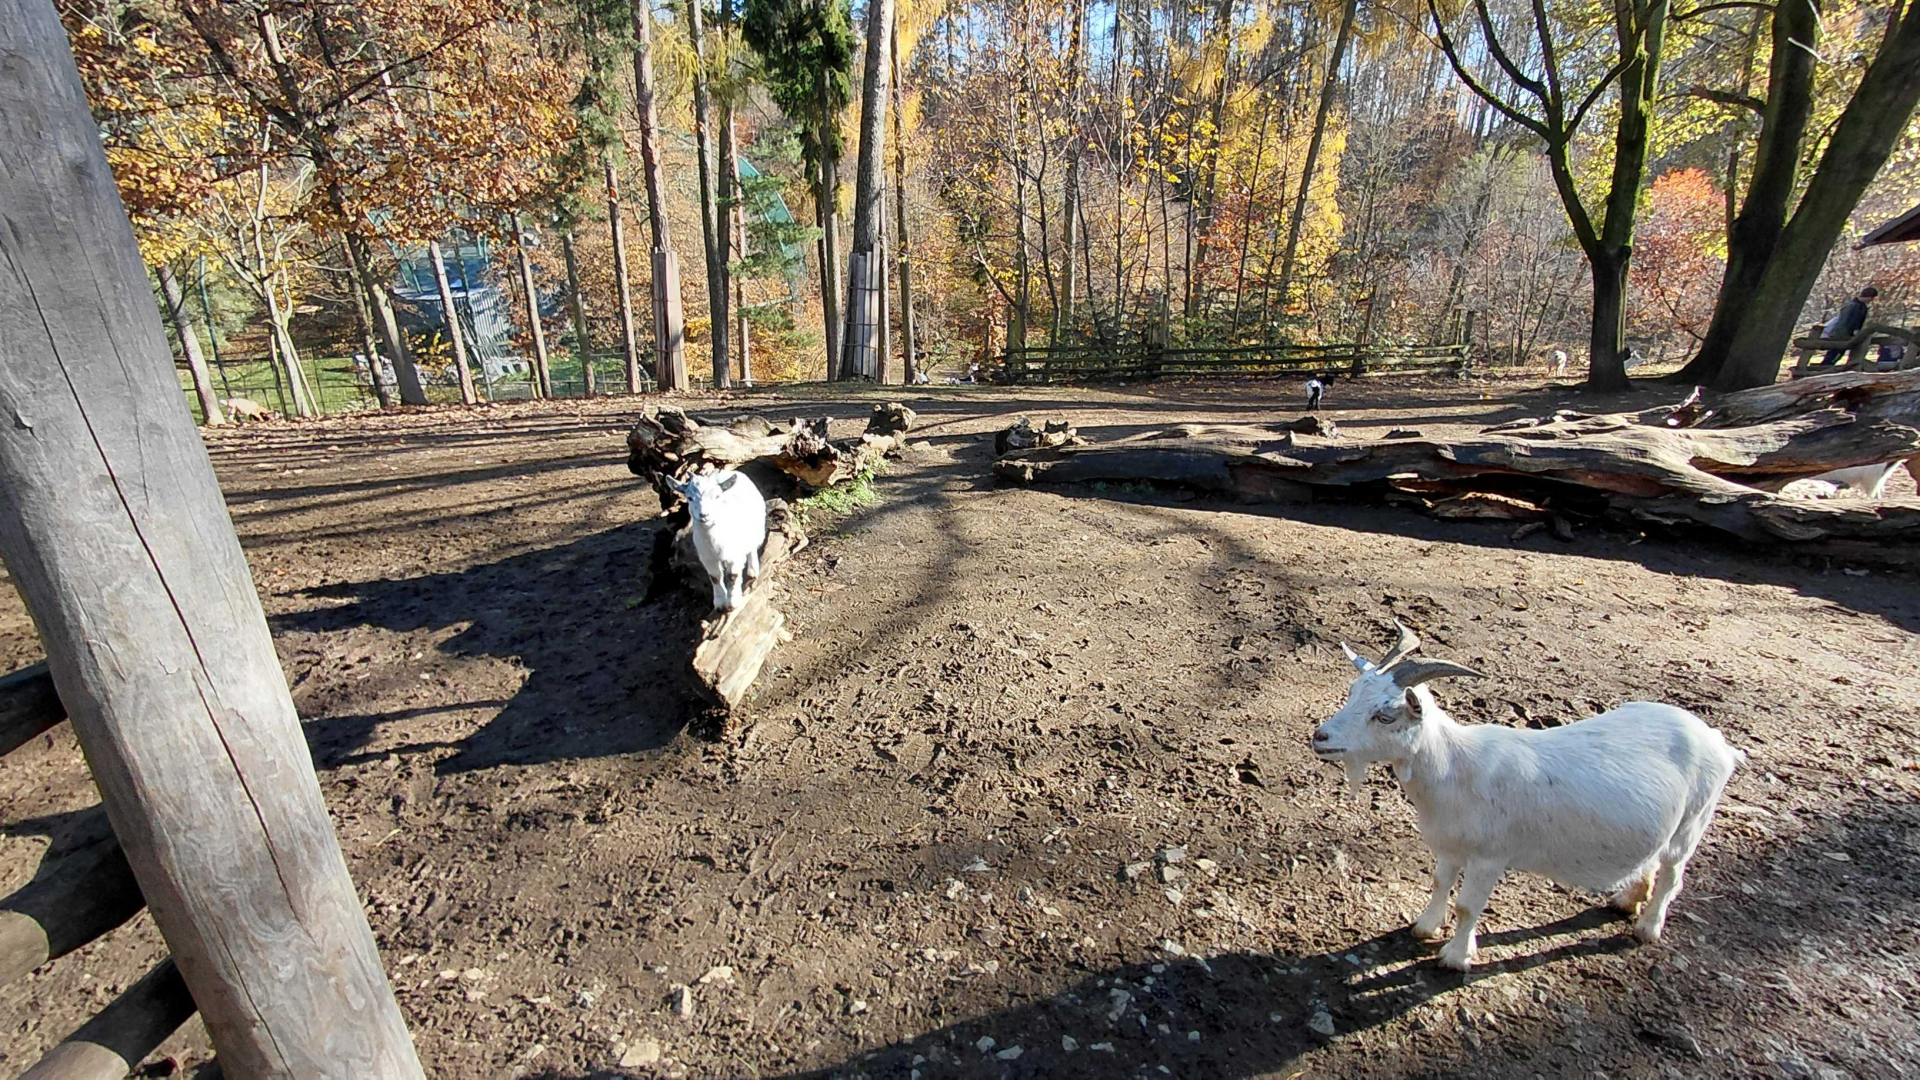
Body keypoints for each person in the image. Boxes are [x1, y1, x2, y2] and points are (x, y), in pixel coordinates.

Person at [1821, 287, 1878, 365]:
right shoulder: (1854, 306)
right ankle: (1825, 367)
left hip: (1845, 333)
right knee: (1835, 353)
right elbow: (1846, 322)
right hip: (1842, 334)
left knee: (1837, 354)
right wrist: (1853, 331)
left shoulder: (1859, 306)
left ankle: (1826, 366)